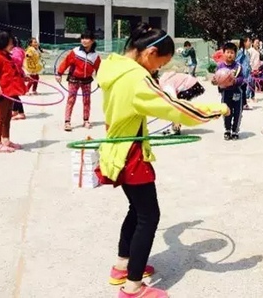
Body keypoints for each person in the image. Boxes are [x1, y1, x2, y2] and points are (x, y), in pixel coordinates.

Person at [95, 23, 228, 298]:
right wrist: (214, 110)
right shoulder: (136, 79)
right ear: (150, 52)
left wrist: (178, 232)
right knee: (149, 216)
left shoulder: (114, 68)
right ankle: (132, 287)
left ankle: (122, 266)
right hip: (131, 154)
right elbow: (173, 107)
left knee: (136, 210)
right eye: (161, 63)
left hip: (117, 150)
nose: (158, 69)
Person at [0, 30, 26, 153]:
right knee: (0, 119)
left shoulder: (7, 56)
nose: (13, 45)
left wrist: (23, 76)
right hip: (1, 94)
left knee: (7, 118)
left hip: (10, 93)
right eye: (10, 43)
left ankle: (6, 140)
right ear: (1, 43)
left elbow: (13, 71)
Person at [55, 30, 101, 132]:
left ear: (92, 40)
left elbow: (99, 69)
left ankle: (86, 120)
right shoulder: (75, 52)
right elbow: (65, 62)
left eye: (87, 38)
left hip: (86, 80)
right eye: (82, 38)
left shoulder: (95, 56)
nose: (84, 40)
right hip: (74, 79)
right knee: (71, 100)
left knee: (87, 101)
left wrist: (101, 80)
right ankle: (67, 122)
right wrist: (59, 73)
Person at [158, 71, 206, 135]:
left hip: (190, 86)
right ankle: (175, 126)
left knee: (177, 106)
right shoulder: (162, 80)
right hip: (192, 83)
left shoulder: (166, 86)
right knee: (177, 106)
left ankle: (176, 126)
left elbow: (175, 101)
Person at [214, 42, 245, 140]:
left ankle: (235, 131)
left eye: (232, 52)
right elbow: (216, 78)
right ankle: (227, 130)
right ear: (223, 53)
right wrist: (215, 81)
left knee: (237, 112)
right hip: (225, 93)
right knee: (226, 111)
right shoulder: (220, 66)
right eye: (227, 52)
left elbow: (241, 79)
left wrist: (235, 81)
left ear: (235, 54)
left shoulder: (238, 66)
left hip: (236, 92)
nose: (229, 55)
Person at [10, 37, 27, 120]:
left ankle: (21, 112)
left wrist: (8, 58)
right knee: (13, 94)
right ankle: (15, 110)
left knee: (14, 95)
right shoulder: (19, 50)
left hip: (15, 75)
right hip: (16, 74)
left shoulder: (16, 50)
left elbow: (17, 62)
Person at [236, 37, 252, 110]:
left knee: (244, 89)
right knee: (241, 89)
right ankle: (240, 104)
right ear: (244, 42)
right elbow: (237, 62)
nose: (250, 43)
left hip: (246, 74)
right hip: (241, 74)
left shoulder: (247, 52)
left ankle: (244, 104)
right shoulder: (241, 52)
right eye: (249, 41)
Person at [247, 38, 262, 103]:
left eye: (258, 43)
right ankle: (247, 96)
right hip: (251, 70)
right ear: (253, 43)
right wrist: (250, 68)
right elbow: (248, 60)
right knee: (250, 83)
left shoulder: (258, 51)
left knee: (254, 84)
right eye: (256, 42)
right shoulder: (250, 51)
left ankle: (252, 96)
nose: (257, 44)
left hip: (256, 70)